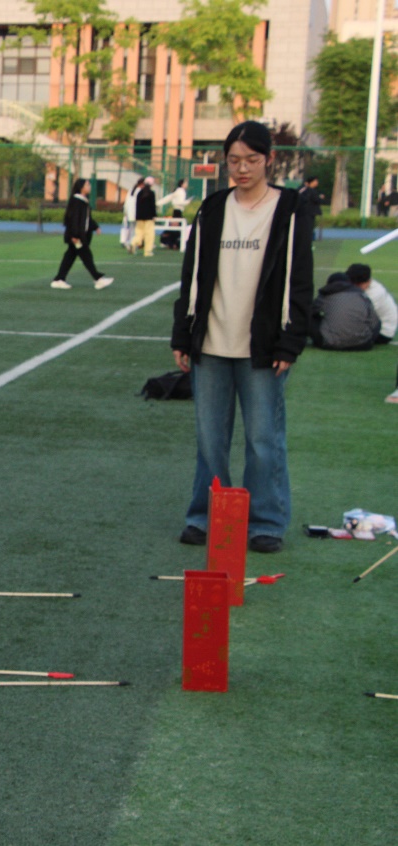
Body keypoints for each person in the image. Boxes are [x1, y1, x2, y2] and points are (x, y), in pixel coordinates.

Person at [171, 120, 314, 555]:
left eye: (251, 160)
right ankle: (204, 516)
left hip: (263, 348)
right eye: (233, 160)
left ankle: (265, 522)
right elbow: (192, 276)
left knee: (263, 441)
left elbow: (299, 280)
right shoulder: (213, 208)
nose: (242, 169)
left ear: (269, 159)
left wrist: (290, 341)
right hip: (211, 344)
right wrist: (183, 333)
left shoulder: (290, 208)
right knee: (210, 441)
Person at [50, 178, 114, 291]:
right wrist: (74, 235)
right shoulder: (76, 201)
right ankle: (98, 279)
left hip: (79, 235)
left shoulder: (83, 200)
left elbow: (87, 219)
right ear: (81, 188)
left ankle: (59, 279)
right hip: (77, 236)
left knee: (70, 256)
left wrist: (95, 226)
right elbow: (73, 219)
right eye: (87, 185)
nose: (89, 187)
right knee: (86, 256)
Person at [309, 271, 380, 351]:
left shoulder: (326, 294)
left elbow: (311, 310)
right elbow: (375, 322)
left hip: (330, 343)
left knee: (309, 316)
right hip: (362, 344)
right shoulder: (362, 295)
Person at [346, 262, 396, 344]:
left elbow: (359, 316)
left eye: (358, 284)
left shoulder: (375, 293)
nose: (355, 286)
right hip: (372, 325)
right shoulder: (362, 287)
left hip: (383, 332)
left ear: (368, 281)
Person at [160, 179, 191, 251]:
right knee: (176, 229)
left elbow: (168, 198)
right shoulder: (181, 191)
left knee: (175, 228)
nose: (187, 185)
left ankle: (171, 243)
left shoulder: (177, 190)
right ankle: (173, 244)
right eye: (186, 183)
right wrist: (187, 202)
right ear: (182, 184)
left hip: (176, 211)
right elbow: (179, 202)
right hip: (177, 212)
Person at [131, 175, 158, 257]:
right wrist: (154, 215)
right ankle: (147, 251)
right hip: (149, 217)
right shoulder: (151, 193)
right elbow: (152, 206)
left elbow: (137, 206)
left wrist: (137, 216)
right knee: (149, 234)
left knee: (139, 233)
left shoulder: (139, 193)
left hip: (139, 217)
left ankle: (133, 243)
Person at [121, 177, 145, 253]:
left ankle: (129, 243)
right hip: (136, 214)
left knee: (132, 229)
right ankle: (131, 244)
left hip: (130, 213)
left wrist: (125, 211)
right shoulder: (140, 191)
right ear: (142, 184)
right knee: (136, 230)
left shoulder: (131, 190)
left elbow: (126, 202)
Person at [298, 176, 323, 240]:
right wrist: (320, 198)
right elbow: (316, 200)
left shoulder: (313, 190)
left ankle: (308, 239)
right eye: (315, 181)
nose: (317, 183)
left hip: (310, 213)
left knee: (309, 228)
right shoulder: (305, 189)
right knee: (306, 228)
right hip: (305, 213)